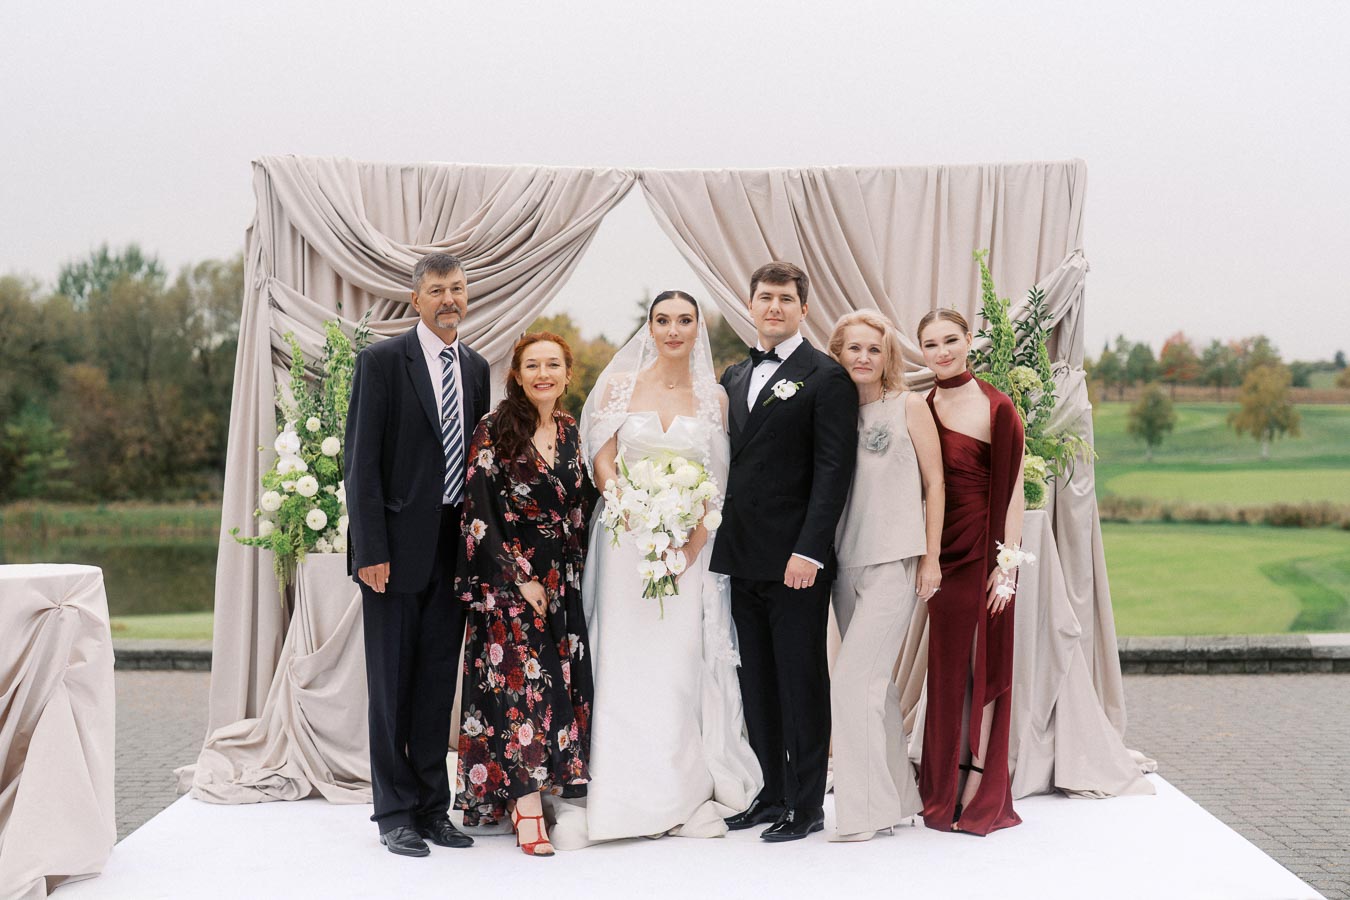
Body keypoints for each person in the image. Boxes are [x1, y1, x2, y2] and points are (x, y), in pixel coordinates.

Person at [549, 291, 762, 848]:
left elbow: (718, 478)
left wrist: (688, 547)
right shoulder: (620, 386)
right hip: (623, 543)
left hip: (687, 550)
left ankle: (676, 788)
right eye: (663, 320)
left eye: (684, 321)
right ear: (649, 327)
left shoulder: (715, 398)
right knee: (619, 658)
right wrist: (633, 508)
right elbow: (601, 456)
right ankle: (611, 784)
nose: (673, 330)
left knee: (676, 662)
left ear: (697, 330)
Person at [344, 252, 491, 857]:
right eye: (437, 290)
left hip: (456, 551)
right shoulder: (381, 362)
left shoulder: (478, 367)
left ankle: (434, 805)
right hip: (395, 554)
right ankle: (394, 812)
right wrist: (369, 549)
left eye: (457, 288)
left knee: (436, 684)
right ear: (417, 300)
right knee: (391, 684)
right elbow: (361, 465)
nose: (449, 298)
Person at [713, 262, 858, 842]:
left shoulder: (826, 377)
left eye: (785, 299)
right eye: (765, 297)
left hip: (797, 562)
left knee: (801, 682)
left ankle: (807, 805)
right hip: (739, 556)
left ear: (803, 309)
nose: (774, 307)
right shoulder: (731, 375)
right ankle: (770, 795)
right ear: (750, 304)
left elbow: (833, 474)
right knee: (757, 684)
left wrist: (810, 552)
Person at [452, 333, 595, 857]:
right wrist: (520, 577)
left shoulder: (570, 429)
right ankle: (528, 811)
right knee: (522, 695)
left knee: (555, 692)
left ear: (566, 373)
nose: (542, 374)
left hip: (561, 584)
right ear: (515, 374)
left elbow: (580, 508)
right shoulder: (494, 429)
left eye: (552, 365)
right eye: (531, 365)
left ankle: (531, 794)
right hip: (509, 587)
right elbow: (478, 512)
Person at [825, 310, 944, 842]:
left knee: (853, 683)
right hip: (842, 565)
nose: (863, 358)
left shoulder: (909, 407)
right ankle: (897, 797)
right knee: (876, 686)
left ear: (888, 356)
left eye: (873, 349)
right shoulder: (830, 414)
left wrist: (931, 557)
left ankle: (863, 812)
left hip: (895, 563)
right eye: (853, 348)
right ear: (838, 354)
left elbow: (935, 484)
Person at [915, 308, 1025, 836]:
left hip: (986, 552)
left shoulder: (996, 405)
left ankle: (982, 779)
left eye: (950, 340)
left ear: (969, 341)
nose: (942, 352)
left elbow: (1015, 493)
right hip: (940, 552)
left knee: (986, 664)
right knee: (947, 670)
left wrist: (1007, 571)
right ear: (921, 351)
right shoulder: (922, 406)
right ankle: (943, 781)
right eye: (931, 344)